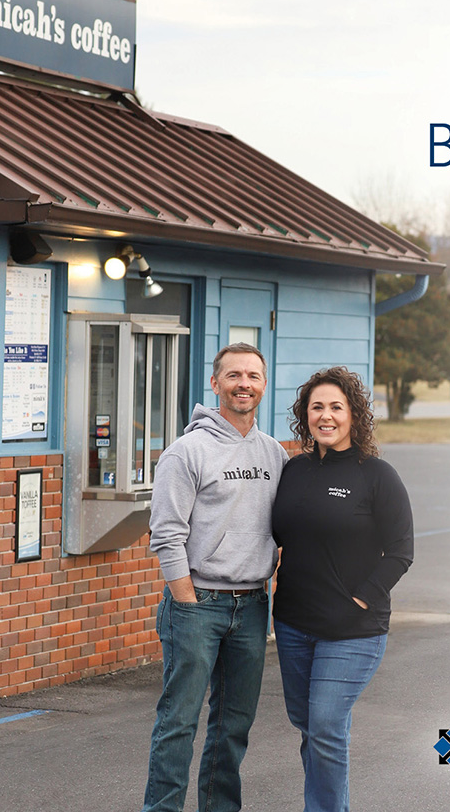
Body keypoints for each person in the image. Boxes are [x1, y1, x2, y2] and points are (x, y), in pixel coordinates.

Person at [142, 342, 288, 812]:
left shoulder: (273, 455)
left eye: (253, 376)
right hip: (197, 604)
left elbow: (284, 529)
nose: (244, 384)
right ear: (216, 383)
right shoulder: (187, 452)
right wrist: (185, 599)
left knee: (232, 728)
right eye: (234, 375)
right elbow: (166, 533)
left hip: (251, 607)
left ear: (264, 385)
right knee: (178, 724)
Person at [272, 366, 413, 812]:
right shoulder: (293, 470)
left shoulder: (376, 475)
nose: (326, 416)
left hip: (353, 629)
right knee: (310, 727)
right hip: (294, 624)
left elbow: (401, 551)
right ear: (305, 415)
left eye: (337, 407)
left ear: (354, 414)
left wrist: (360, 598)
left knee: (327, 725)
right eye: (317, 407)